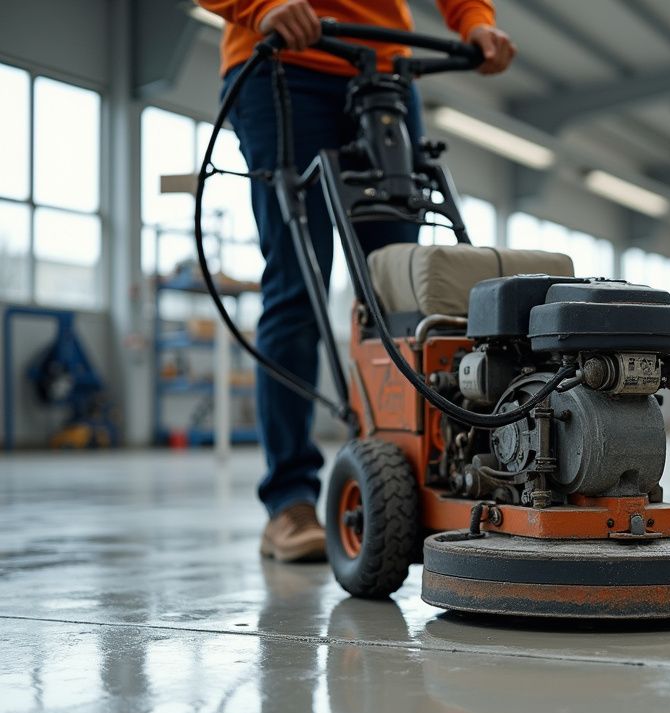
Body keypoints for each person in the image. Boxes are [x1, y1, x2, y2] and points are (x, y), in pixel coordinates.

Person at [198, 1, 517, 561]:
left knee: (401, 293)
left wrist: (474, 21)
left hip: (384, 68)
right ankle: (289, 501)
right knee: (297, 288)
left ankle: (413, 476)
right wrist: (263, 6)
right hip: (283, 65)